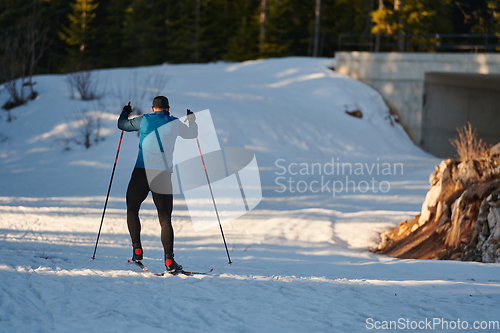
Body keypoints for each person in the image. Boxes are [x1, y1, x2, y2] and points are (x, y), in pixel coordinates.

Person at [118, 96, 198, 273]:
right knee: (165, 219)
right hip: (162, 174)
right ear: (168, 108)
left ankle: (137, 251)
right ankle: (169, 261)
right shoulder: (174, 123)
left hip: (141, 171)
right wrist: (192, 121)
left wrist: (125, 112)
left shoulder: (145, 119)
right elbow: (192, 134)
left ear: (153, 108)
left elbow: (122, 125)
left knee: (132, 209)